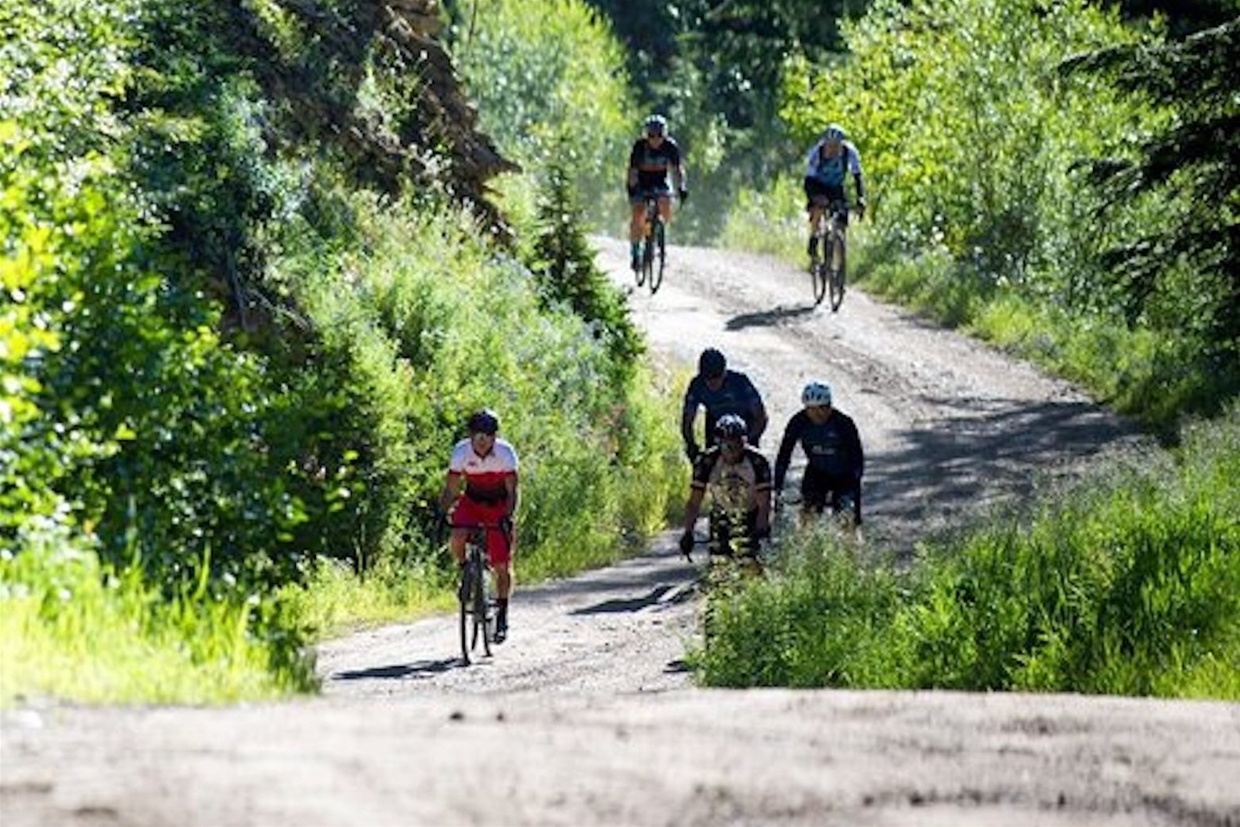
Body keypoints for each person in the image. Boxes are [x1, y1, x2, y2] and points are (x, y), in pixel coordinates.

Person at [437, 408, 520, 643]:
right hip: (472, 501)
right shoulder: (461, 452)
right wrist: (442, 512)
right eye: (478, 436)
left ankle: (502, 613)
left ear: (494, 437)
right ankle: (465, 569)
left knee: (502, 565)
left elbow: (513, 491)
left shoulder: (505, 453)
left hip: (499, 504)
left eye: (487, 436)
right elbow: (452, 489)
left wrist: (508, 516)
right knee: (457, 534)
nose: (482, 442)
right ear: (471, 436)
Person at [679, 414, 773, 563]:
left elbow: (765, 501)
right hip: (720, 515)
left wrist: (761, 527)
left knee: (750, 563)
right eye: (729, 445)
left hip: (750, 514)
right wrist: (688, 532)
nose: (734, 450)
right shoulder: (707, 461)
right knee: (720, 563)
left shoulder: (758, 461)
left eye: (739, 444)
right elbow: (694, 501)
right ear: (719, 444)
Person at [773, 380, 864, 527]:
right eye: (812, 409)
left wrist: (853, 487)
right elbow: (784, 454)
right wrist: (778, 486)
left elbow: (857, 457)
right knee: (808, 516)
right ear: (806, 408)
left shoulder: (843, 423)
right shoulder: (798, 421)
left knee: (848, 520)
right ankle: (807, 547)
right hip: (817, 471)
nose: (818, 414)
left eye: (823, 408)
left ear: (830, 406)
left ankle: (851, 548)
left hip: (845, 474)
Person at [682, 347, 768, 462]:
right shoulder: (697, 385)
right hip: (716, 424)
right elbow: (687, 420)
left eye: (717, 377)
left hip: (745, 425)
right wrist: (691, 445)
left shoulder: (740, 382)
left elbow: (761, 416)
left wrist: (749, 441)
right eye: (708, 379)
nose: (712, 383)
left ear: (724, 373)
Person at [626, 113, 688, 272]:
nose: (655, 139)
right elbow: (632, 171)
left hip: (660, 181)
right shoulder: (640, 147)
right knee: (638, 213)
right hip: (641, 182)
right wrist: (633, 189)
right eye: (651, 135)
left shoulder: (670, 147)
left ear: (664, 135)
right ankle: (635, 251)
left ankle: (655, 234)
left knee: (666, 205)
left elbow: (677, 170)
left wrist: (682, 187)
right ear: (646, 135)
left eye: (659, 135)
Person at [803, 123, 866, 266]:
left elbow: (857, 176)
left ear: (841, 144)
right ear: (825, 143)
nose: (831, 149)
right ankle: (813, 239)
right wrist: (814, 198)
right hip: (817, 185)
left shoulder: (849, 152)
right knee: (818, 209)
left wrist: (861, 198)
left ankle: (839, 262)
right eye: (829, 145)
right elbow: (808, 181)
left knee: (842, 218)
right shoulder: (817, 152)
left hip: (837, 187)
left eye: (835, 146)